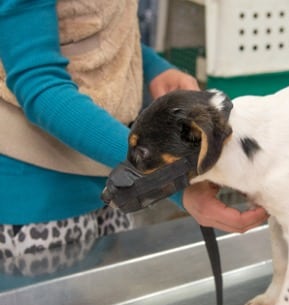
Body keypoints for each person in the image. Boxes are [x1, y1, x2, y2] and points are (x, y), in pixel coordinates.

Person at [0, 1, 267, 261]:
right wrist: (165, 182)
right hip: (35, 197)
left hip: (111, 179)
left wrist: (154, 68)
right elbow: (40, 84)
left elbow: (89, 23)